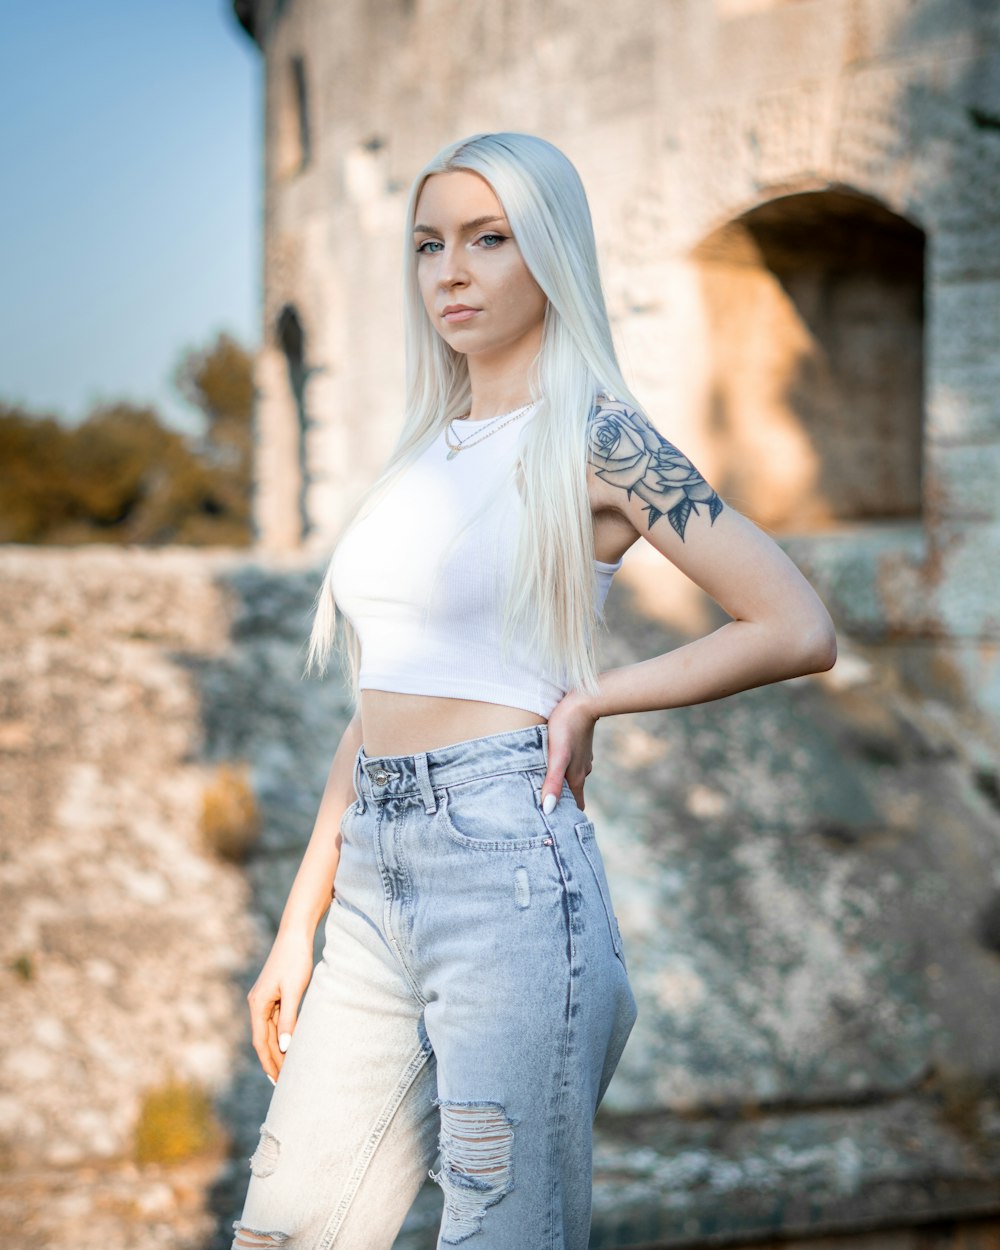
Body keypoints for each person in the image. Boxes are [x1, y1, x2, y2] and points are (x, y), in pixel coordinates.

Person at [232, 132, 837, 1250]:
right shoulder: (421, 454)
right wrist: (296, 920)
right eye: (427, 246)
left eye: (486, 240)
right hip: (374, 872)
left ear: (547, 252)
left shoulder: (599, 438)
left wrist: (591, 698)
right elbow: (376, 707)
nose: (448, 272)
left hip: (509, 871)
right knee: (286, 1230)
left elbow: (794, 623)